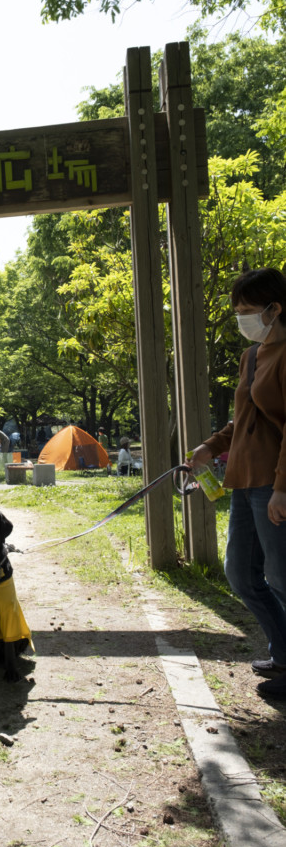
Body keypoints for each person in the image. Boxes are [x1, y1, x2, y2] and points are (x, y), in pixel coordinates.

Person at [189, 267, 286, 699]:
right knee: (241, 575)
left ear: (275, 308)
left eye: (247, 310)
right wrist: (209, 447)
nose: (241, 318)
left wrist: (282, 487)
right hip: (244, 480)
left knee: (281, 577)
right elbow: (241, 419)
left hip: (274, 482)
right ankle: (283, 653)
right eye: (237, 311)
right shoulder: (251, 356)